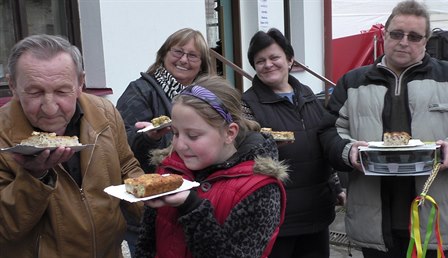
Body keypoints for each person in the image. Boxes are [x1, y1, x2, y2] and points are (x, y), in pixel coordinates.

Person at [319, 1, 448, 257]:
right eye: (397, 33)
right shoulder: (352, 82)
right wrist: (348, 151)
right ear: (385, 34)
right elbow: (329, 132)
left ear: (426, 40)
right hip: (373, 223)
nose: (404, 41)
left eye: (414, 36)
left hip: (432, 220)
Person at [0, 34, 144, 257]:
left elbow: (127, 168)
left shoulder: (104, 113)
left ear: (80, 83)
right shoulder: (2, 134)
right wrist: (35, 178)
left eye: (61, 91)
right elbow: (4, 229)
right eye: (35, 92)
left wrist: (157, 207)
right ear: (13, 86)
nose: (49, 108)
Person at [135, 75, 288, 258]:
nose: (179, 145)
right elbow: (146, 245)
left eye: (193, 136)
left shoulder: (259, 189)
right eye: (175, 133)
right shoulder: (169, 170)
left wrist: (191, 207)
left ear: (229, 133)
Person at [241, 28, 336, 258]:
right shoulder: (247, 103)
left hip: (317, 210)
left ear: (290, 60)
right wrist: (267, 146)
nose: (268, 64)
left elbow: (324, 140)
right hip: (276, 216)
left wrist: (336, 184)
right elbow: (243, 153)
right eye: (260, 61)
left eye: (274, 57)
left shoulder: (308, 95)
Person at [116, 28, 213, 173]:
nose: (184, 60)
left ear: (201, 65)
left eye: (193, 56)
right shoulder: (140, 90)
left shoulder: (209, 95)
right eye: (178, 52)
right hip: (156, 181)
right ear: (163, 55)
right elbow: (121, 142)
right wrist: (149, 138)